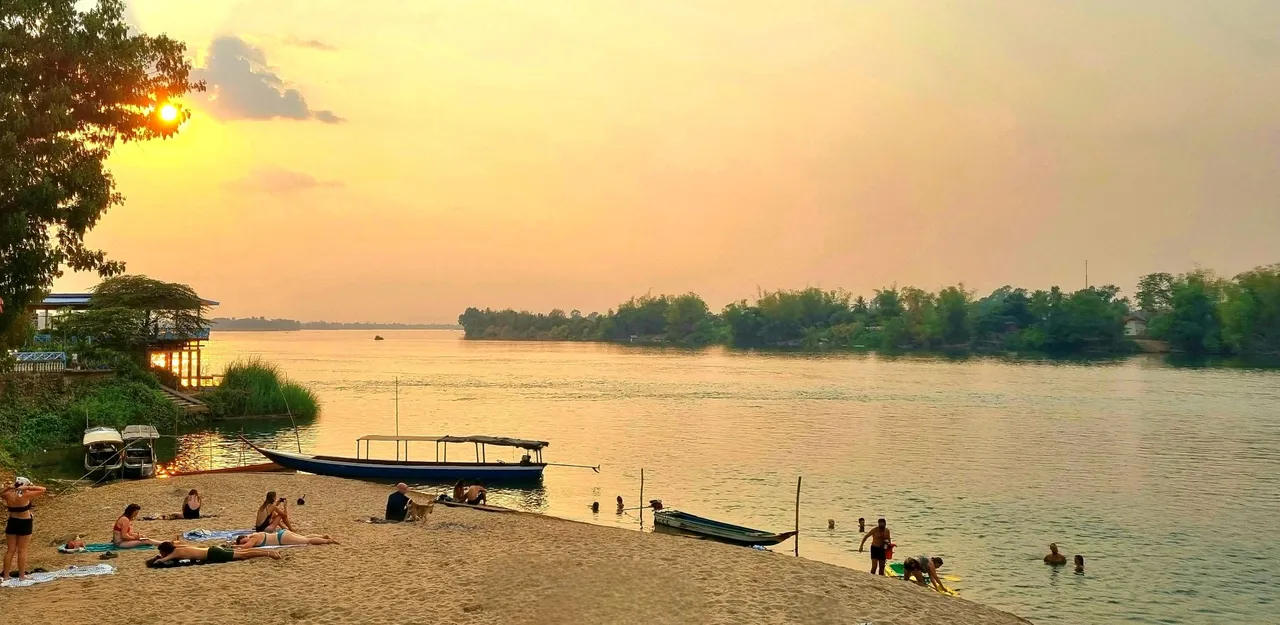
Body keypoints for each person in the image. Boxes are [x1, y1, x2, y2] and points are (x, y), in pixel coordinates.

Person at [3, 477, 46, 583]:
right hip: (24, 522)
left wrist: (9, 488)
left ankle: (6, 575)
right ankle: (22, 575)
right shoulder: (26, 495)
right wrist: (27, 487)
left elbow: (1, 493)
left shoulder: (8, 495)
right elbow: (43, 489)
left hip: (12, 522)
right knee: (22, 550)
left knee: (10, 550)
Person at [155, 540, 280, 564]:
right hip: (213, 548)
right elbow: (177, 544)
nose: (162, 555)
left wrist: (158, 559)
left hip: (214, 554)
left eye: (162, 552)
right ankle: (268, 552)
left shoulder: (175, 553)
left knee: (244, 555)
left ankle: (269, 554)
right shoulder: (179, 549)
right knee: (245, 551)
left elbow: (163, 560)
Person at [233, 529, 339, 547]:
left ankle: (328, 541)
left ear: (246, 538)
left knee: (308, 541)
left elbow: (247, 547)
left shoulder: (253, 539)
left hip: (282, 539)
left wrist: (235, 546)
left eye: (244, 540)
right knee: (304, 537)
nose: (245, 542)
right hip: (282, 534)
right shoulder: (254, 534)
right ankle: (322, 536)